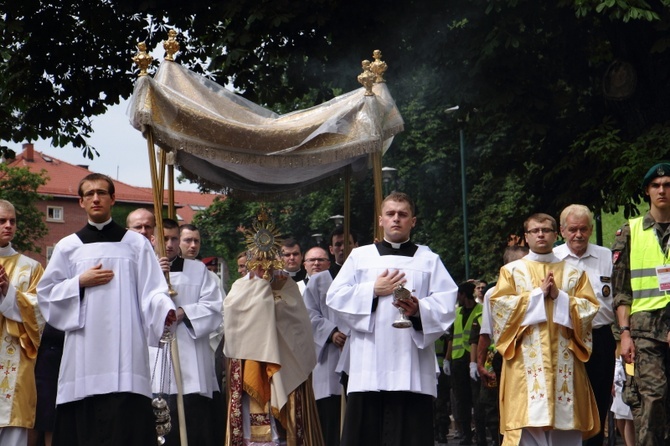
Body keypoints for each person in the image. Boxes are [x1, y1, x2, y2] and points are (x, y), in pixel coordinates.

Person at [36, 173, 177, 446]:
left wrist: (165, 310)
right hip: (83, 353)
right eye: (89, 194)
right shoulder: (68, 247)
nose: (96, 198)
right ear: (81, 202)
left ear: (113, 199)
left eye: (102, 192)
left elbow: (153, 291)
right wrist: (78, 282)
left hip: (126, 354)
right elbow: (47, 295)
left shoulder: (136, 245)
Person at [326, 192, 458, 446]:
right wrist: (372, 291)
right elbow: (336, 297)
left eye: (402, 214)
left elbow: (445, 304)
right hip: (369, 361)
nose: (396, 219)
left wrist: (418, 309)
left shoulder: (429, 260)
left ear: (413, 221)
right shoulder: (359, 257)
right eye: (390, 214)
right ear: (381, 220)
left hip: (411, 362)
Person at [490, 213, 600, 445]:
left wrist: (559, 297)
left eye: (546, 230)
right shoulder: (511, 271)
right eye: (535, 231)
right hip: (524, 365)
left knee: (566, 428)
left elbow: (590, 309)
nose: (541, 234)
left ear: (556, 235)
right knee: (527, 427)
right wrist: (537, 295)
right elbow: (500, 309)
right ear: (526, 237)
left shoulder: (574, 273)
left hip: (565, 361)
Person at [224, 213, 323, 445]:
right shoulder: (240, 287)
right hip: (251, 367)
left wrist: (269, 299)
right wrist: (259, 290)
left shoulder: (287, 286)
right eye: (258, 260)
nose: (263, 266)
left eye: (267, 259)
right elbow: (233, 319)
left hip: (285, 368)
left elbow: (297, 326)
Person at [150, 218, 223, 446]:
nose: (170, 244)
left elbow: (214, 307)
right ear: (153, 239)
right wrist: (156, 279)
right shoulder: (143, 269)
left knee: (192, 427)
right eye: (165, 239)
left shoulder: (198, 270)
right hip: (155, 357)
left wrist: (183, 312)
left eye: (173, 238)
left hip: (190, 360)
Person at [612, 162, 670, 445]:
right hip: (645, 330)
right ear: (647, 191)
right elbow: (621, 292)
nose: (662, 190)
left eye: (668, 185)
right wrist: (624, 335)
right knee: (652, 400)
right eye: (656, 186)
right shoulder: (631, 231)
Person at [553, 204, 615, 446]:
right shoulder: (553, 258)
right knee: (567, 400)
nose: (578, 235)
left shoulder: (606, 256)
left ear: (590, 230)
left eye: (583, 229)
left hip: (600, 338)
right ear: (562, 231)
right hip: (565, 340)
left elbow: (619, 297)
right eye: (572, 229)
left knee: (599, 400)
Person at [0, 200, 44, 445]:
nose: (8, 226)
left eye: (12, 221)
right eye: (2, 221)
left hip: (15, 369)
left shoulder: (32, 268)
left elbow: (41, 314)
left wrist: (8, 292)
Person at [475, 245, 528, 446]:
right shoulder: (494, 293)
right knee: (503, 410)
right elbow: (486, 333)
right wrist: (480, 364)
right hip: (506, 357)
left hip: (532, 355)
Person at [303, 262, 347, 446]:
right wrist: (331, 333)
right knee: (330, 420)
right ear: (331, 249)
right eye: (337, 244)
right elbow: (308, 314)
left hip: (358, 352)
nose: (341, 247)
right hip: (329, 355)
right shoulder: (319, 280)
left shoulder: (364, 276)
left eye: (346, 244)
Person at [446, 281, 486, 446]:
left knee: (477, 400)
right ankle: (465, 435)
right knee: (461, 400)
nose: (458, 298)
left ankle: (481, 436)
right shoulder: (456, 313)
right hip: (458, 361)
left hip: (474, 360)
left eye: (459, 295)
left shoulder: (481, 311)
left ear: (463, 295)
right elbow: (451, 338)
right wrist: (447, 359)